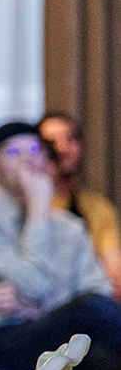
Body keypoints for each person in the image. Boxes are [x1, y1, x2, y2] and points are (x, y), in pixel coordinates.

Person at [0, 120, 121, 370]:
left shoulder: (69, 227)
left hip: (58, 342)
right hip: (1, 343)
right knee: (91, 311)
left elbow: (98, 290)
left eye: (35, 150)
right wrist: (38, 210)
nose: (27, 159)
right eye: (13, 151)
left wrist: (36, 307)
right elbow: (36, 283)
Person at [39, 110, 121, 298]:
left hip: (92, 295)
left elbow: (114, 271)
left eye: (70, 140)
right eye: (51, 142)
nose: (62, 148)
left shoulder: (98, 207)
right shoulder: (31, 207)